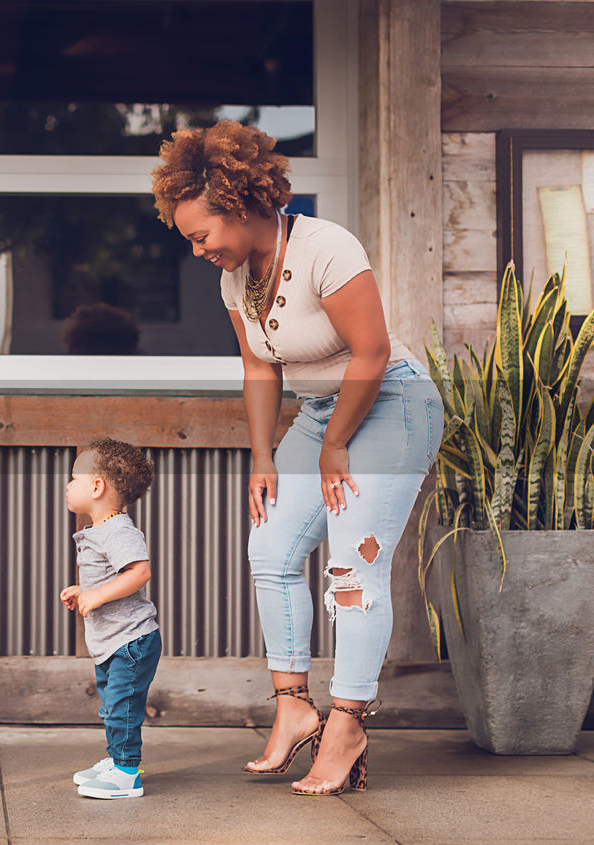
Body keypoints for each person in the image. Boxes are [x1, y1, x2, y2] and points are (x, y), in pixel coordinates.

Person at [151, 121, 442, 795]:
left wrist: (337, 442)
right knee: (271, 548)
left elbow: (369, 353)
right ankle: (293, 705)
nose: (198, 251)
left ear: (243, 206)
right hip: (319, 415)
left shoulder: (325, 248)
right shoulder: (235, 280)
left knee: (351, 565)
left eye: (201, 235)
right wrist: (262, 454)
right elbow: (259, 368)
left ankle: (347, 722)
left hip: (391, 403)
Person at [61, 438, 161, 800]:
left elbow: (139, 573)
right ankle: (117, 759)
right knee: (113, 704)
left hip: (130, 640)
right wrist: (82, 590)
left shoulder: (118, 530)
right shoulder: (103, 530)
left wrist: (97, 595)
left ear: (97, 486)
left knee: (123, 706)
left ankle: (126, 773)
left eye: (74, 478)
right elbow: (110, 577)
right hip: (114, 640)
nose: (69, 485)